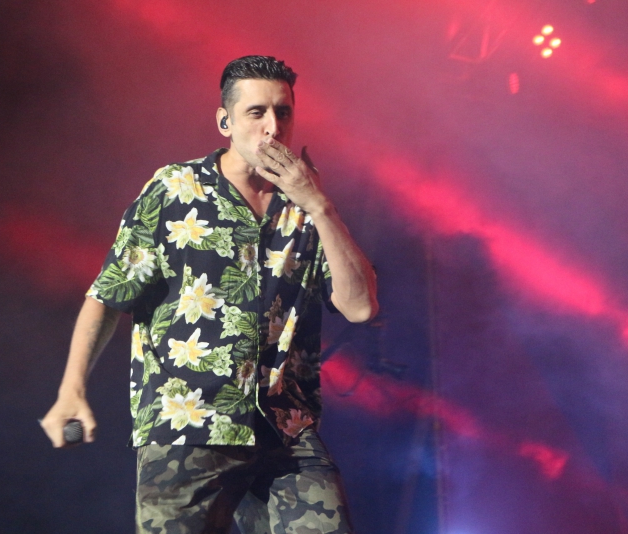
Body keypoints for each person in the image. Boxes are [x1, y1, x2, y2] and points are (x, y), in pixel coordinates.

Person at [41, 55, 378, 534]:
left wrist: (320, 206)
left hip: (285, 429)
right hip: (189, 423)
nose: (272, 127)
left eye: (283, 112)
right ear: (225, 122)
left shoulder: (306, 205)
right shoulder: (174, 189)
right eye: (256, 112)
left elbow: (360, 307)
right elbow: (108, 295)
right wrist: (72, 390)